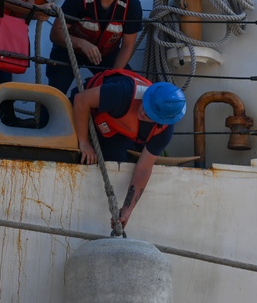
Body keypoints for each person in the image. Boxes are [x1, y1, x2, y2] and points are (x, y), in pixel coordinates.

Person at [73, 70, 187, 229]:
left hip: (114, 129)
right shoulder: (123, 92)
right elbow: (80, 100)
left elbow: (144, 168)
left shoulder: (164, 132)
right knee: (79, 155)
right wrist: (84, 142)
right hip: (87, 109)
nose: (143, 112)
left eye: (150, 115)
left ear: (161, 121)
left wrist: (128, 209)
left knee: (117, 162)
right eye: (145, 106)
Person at [46, 0, 143, 96]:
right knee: (55, 93)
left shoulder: (131, 5)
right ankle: (46, 118)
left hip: (106, 54)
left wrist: (113, 76)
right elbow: (55, 33)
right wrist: (81, 43)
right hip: (69, 50)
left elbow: (127, 46)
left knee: (125, 87)